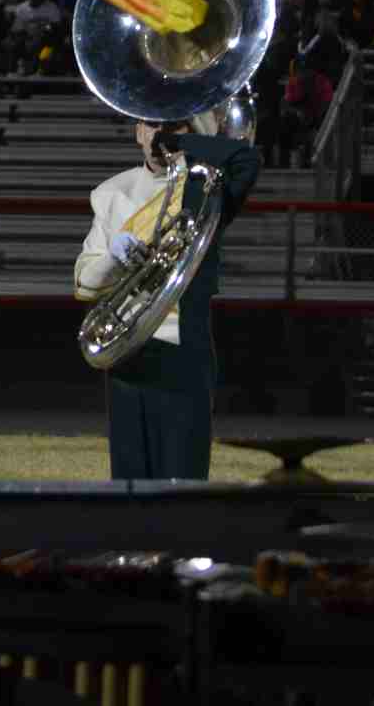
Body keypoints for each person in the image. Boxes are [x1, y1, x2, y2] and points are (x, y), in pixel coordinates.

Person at [73, 114, 260, 481]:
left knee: (182, 483)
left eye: (174, 125)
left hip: (183, 358)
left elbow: (246, 159)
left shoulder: (207, 190)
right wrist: (114, 257)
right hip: (128, 359)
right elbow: (84, 284)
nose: (159, 134)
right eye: (151, 125)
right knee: (130, 484)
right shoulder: (112, 193)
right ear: (137, 132)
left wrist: (179, 145)